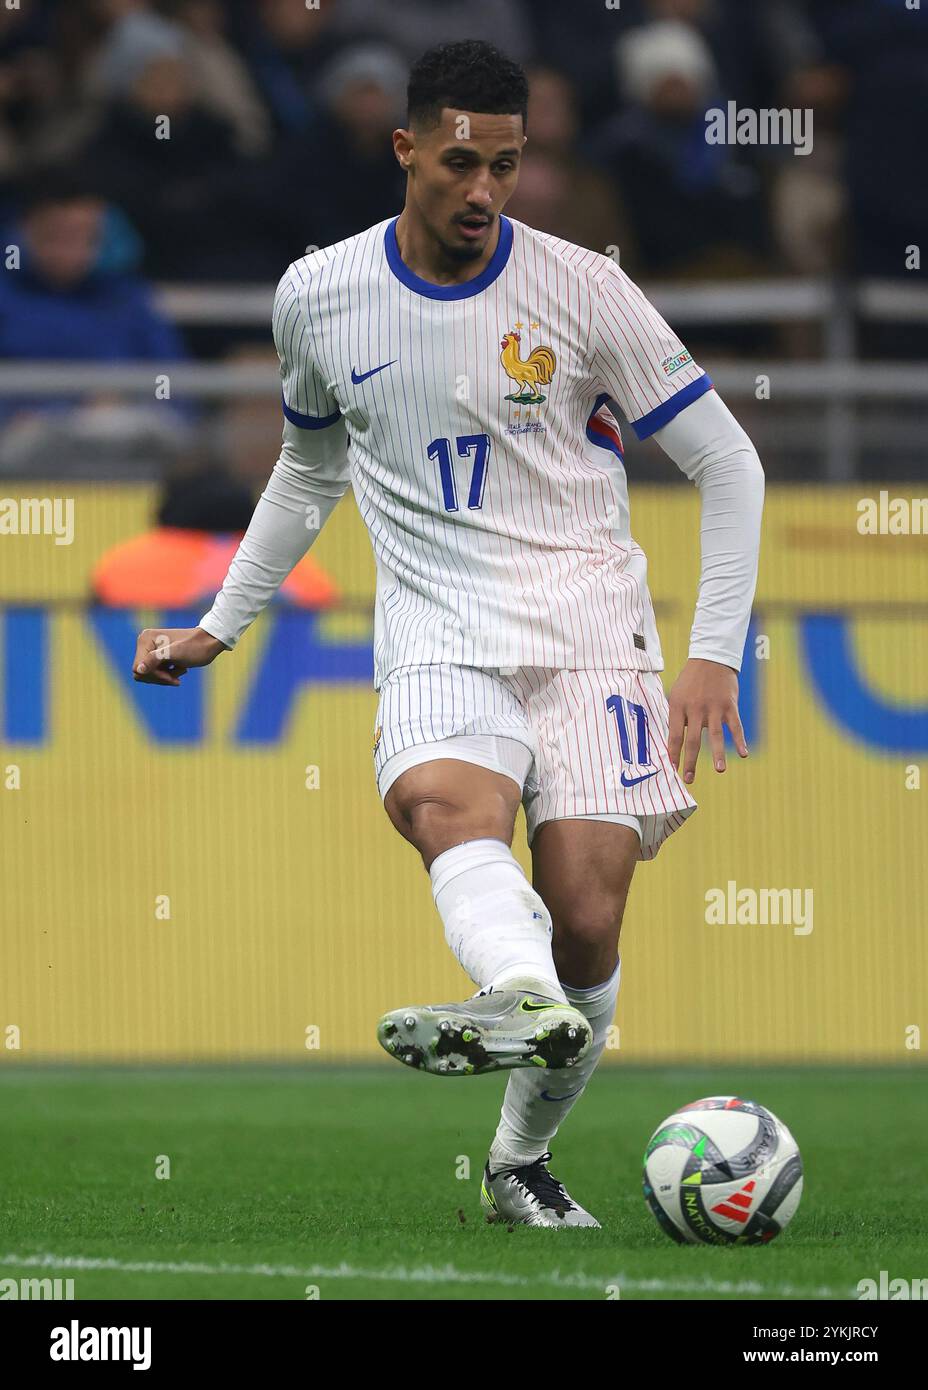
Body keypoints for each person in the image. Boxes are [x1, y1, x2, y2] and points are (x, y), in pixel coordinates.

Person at [132, 41, 764, 1229]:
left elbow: (727, 462)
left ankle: (517, 1156)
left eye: (508, 166)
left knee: (586, 915)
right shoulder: (318, 293)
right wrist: (220, 623)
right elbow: (309, 470)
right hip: (437, 629)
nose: (484, 190)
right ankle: (514, 991)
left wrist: (712, 647)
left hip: (589, 634)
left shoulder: (583, 288)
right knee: (442, 805)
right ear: (406, 147)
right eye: (462, 161)